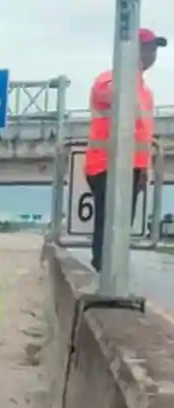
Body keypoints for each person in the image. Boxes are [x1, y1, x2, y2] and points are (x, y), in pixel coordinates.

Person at [85, 28, 164, 271]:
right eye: (148, 48)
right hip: (106, 164)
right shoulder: (110, 79)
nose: (152, 54)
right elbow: (107, 93)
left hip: (132, 168)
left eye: (154, 50)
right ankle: (105, 276)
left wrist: (143, 171)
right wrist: (127, 68)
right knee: (110, 226)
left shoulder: (146, 93)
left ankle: (111, 274)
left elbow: (142, 136)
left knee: (121, 228)